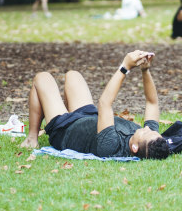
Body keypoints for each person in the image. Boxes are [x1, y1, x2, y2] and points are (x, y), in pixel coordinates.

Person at [20, 50, 170, 160]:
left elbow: (105, 103)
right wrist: (145, 70)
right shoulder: (151, 139)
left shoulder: (111, 146)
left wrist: (125, 67)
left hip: (65, 129)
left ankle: (32, 138)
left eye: (145, 132)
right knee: (73, 75)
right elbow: (152, 102)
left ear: (135, 148)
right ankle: (62, 110)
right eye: (150, 130)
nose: (146, 128)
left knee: (42, 78)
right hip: (89, 117)